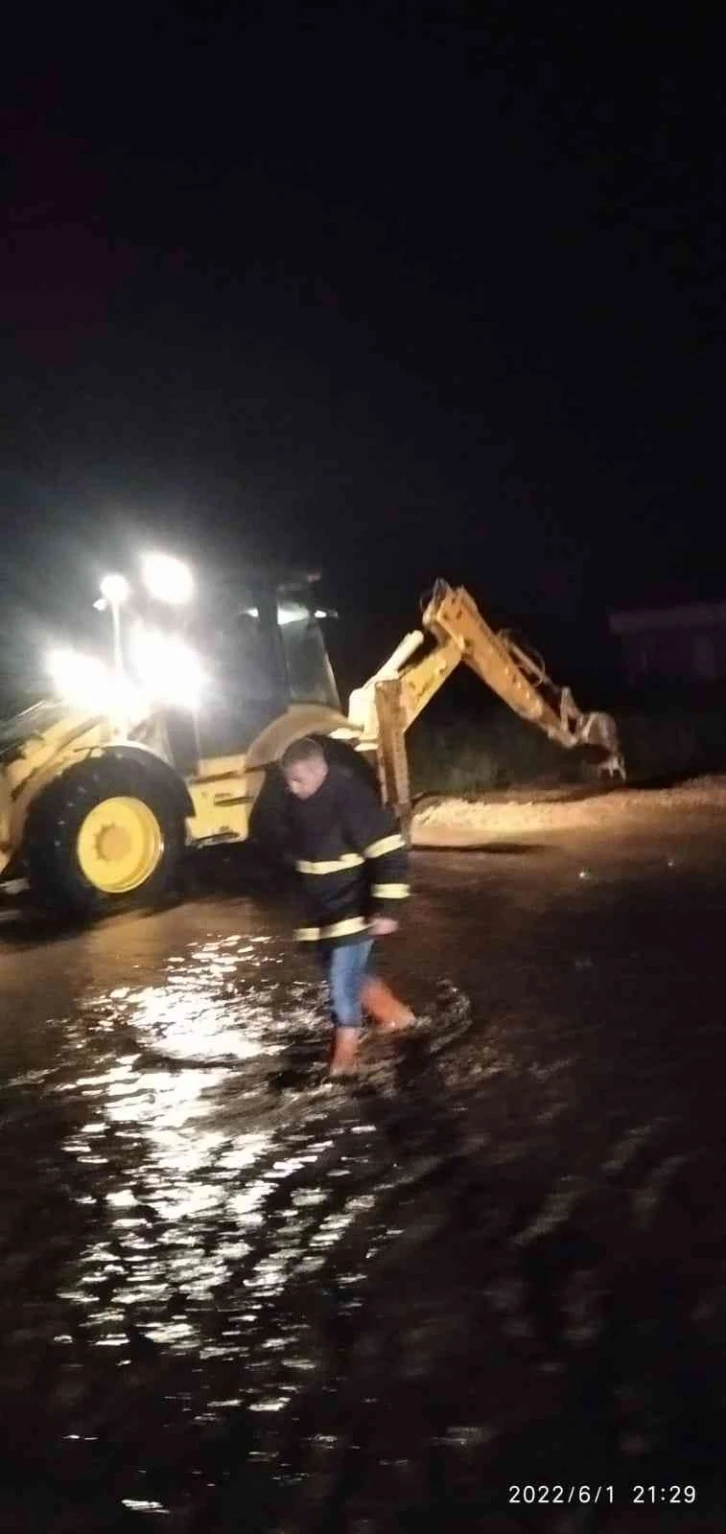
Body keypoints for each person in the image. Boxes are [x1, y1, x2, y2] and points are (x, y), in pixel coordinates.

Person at [278, 736, 414, 1077]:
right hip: (327, 913)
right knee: (357, 976)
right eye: (288, 781)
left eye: (298, 780)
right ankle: (401, 1020)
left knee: (342, 983)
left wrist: (387, 909)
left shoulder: (351, 799)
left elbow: (389, 853)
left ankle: (344, 1063)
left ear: (318, 770)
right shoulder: (301, 802)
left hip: (355, 911)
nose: (292, 789)